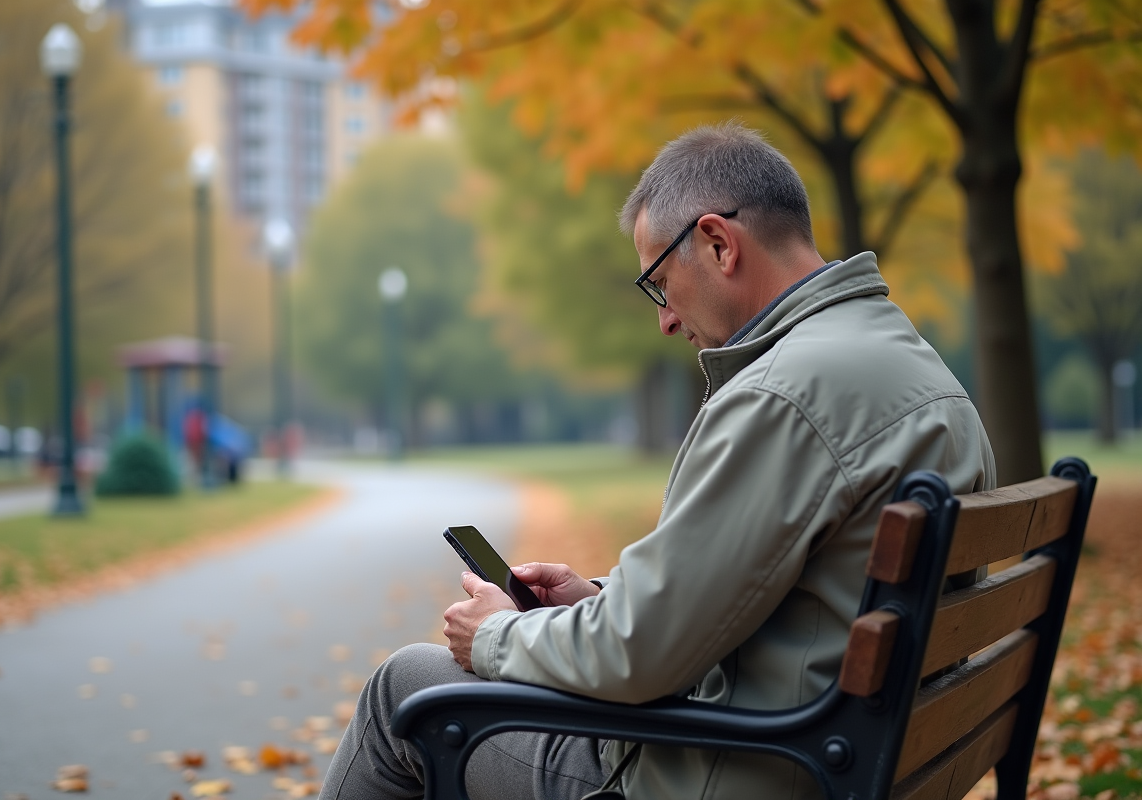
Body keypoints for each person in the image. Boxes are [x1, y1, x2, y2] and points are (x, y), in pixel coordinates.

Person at [318, 121, 996, 800]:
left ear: (718, 243)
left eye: (660, 282)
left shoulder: (783, 398)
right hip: (851, 761)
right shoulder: (917, 372)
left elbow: (640, 657)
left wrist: (498, 636)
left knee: (404, 691)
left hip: (737, 770)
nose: (666, 319)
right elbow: (763, 604)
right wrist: (601, 601)